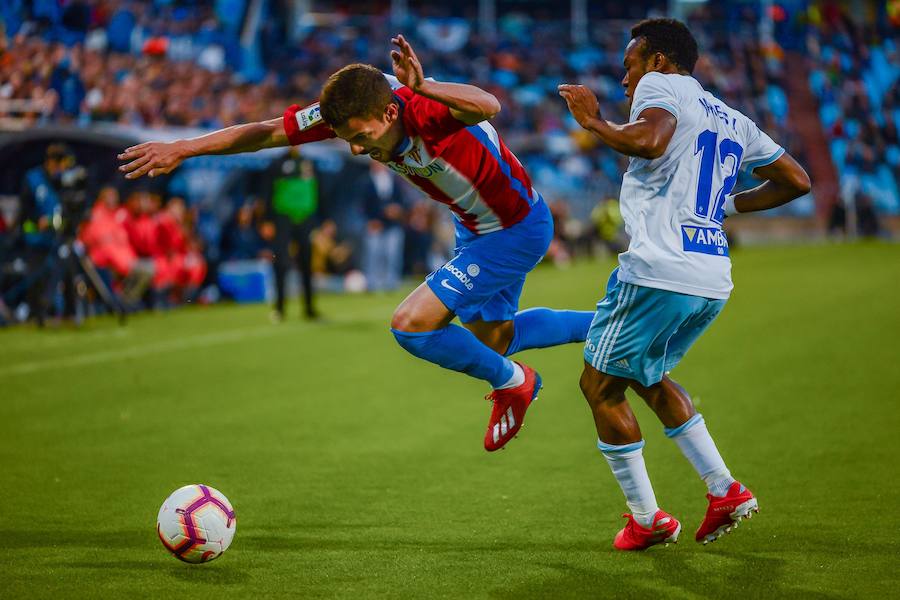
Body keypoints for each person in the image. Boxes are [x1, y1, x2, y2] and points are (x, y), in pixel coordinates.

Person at [118, 35, 595, 451]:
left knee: (412, 326)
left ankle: (517, 384)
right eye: (346, 139)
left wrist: (422, 85)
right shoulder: (347, 113)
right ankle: (609, 325)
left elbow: (490, 104)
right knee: (496, 340)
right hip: (474, 226)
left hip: (514, 229)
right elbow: (264, 132)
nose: (355, 148)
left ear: (390, 111)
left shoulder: (425, 109)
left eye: (362, 137)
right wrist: (182, 146)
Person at [558, 18, 811, 550]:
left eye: (629, 65)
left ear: (657, 61)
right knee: (647, 376)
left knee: (598, 386)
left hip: (658, 271)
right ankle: (725, 490)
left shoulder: (660, 87)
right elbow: (797, 180)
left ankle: (646, 520)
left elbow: (649, 141)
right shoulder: (731, 117)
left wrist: (593, 122)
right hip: (711, 278)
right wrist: (727, 206)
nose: (626, 79)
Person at [363, 161, 406, 292]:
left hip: (392, 224)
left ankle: (391, 282)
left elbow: (401, 201)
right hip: (374, 224)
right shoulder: (365, 182)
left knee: (392, 254)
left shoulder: (394, 181)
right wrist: (370, 220)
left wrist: (397, 210)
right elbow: (362, 205)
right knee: (373, 255)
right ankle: (372, 284)